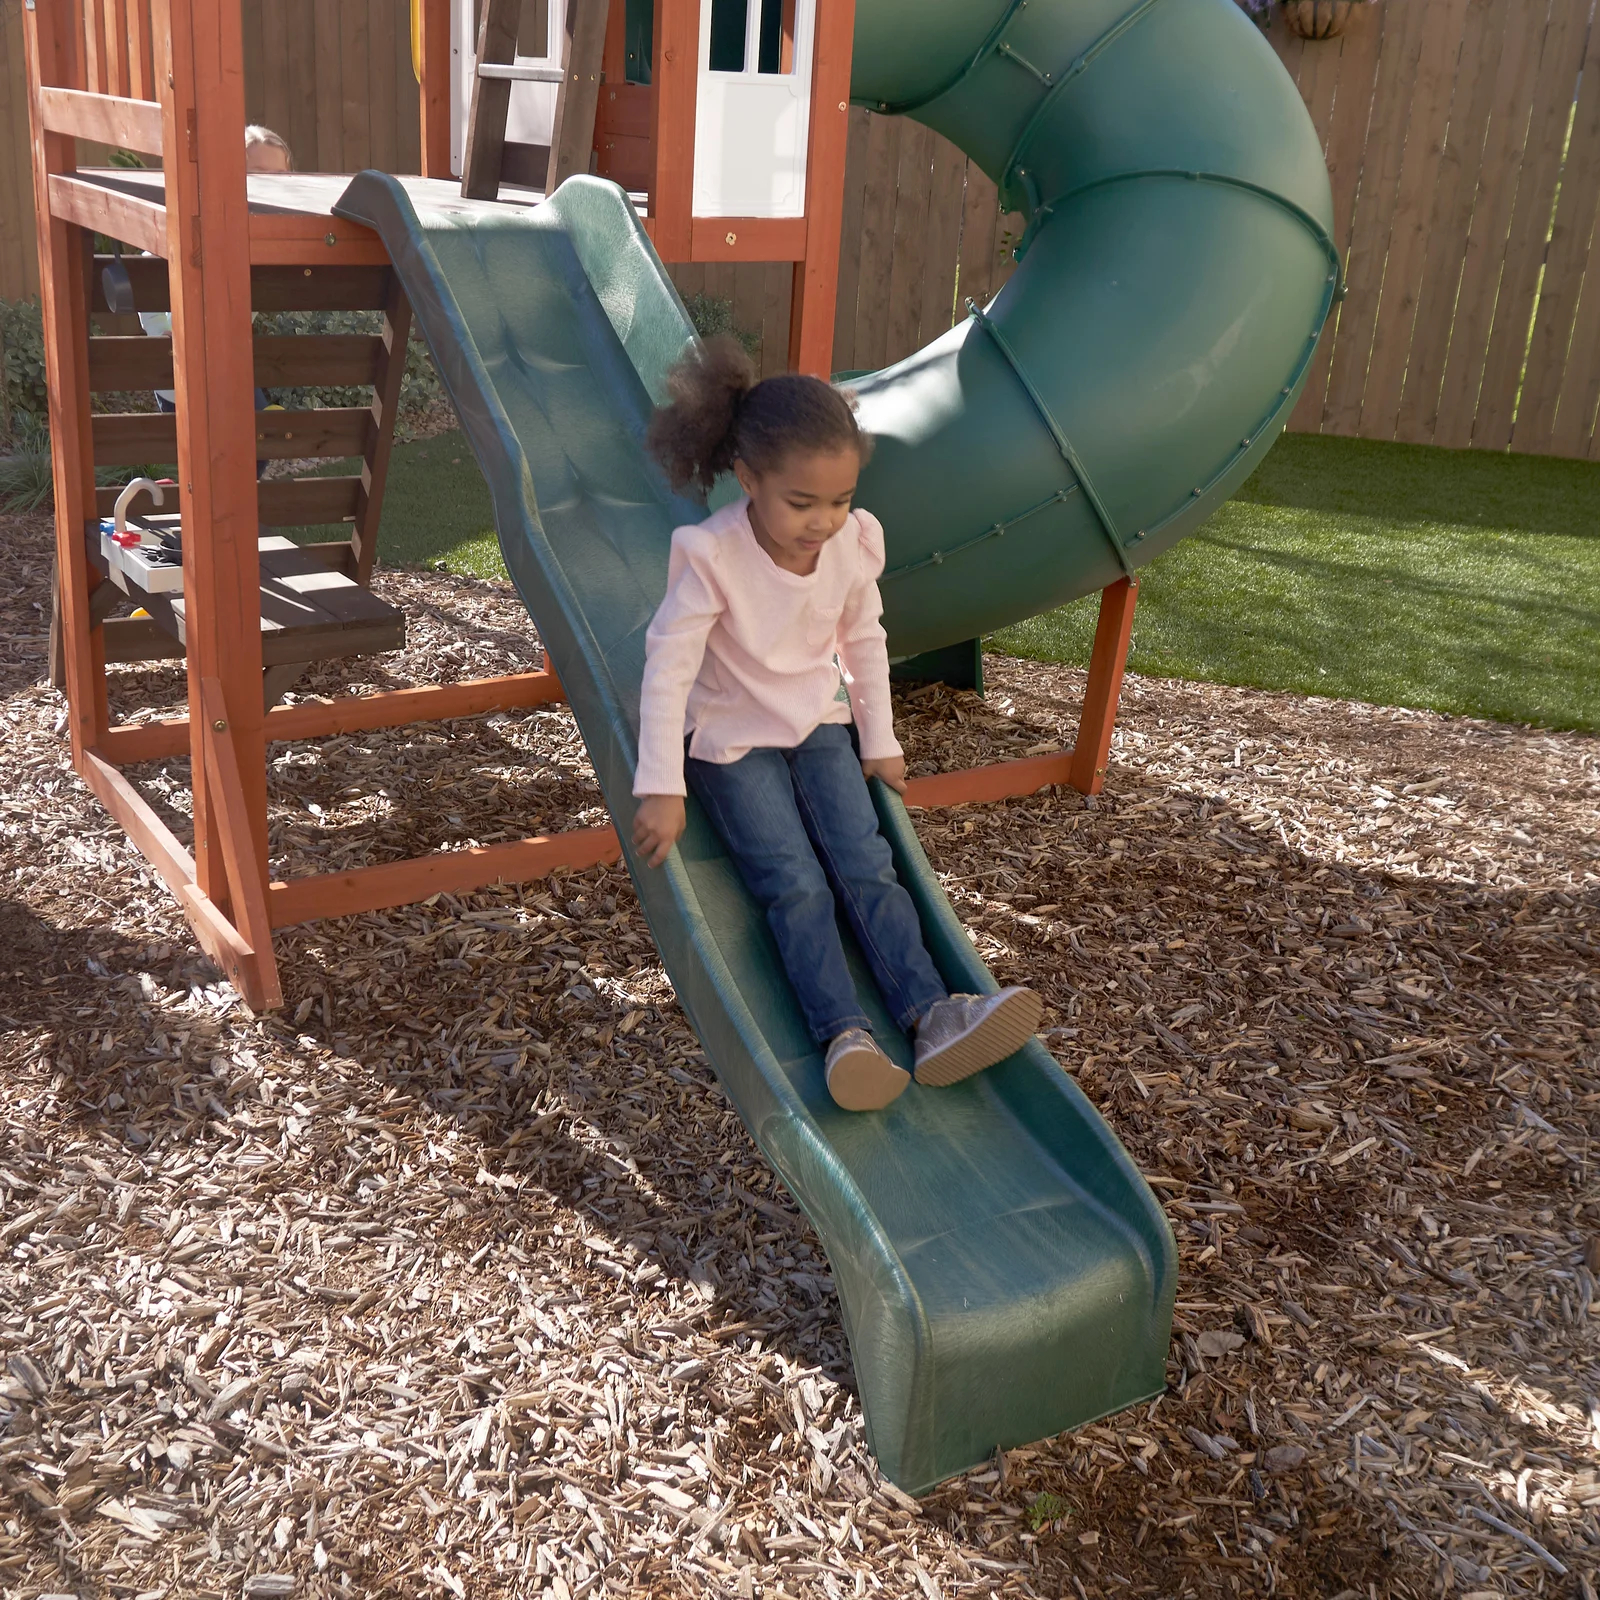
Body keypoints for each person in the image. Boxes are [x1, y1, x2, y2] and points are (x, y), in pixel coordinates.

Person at [632, 338, 1043, 1113]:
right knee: (794, 881)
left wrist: (879, 739)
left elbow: (863, 639)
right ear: (749, 480)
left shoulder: (853, 542)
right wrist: (661, 784)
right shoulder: (711, 555)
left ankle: (932, 1015)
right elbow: (669, 668)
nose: (823, 521)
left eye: (840, 500)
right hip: (731, 738)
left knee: (866, 862)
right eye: (801, 503)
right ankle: (844, 1036)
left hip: (816, 721)